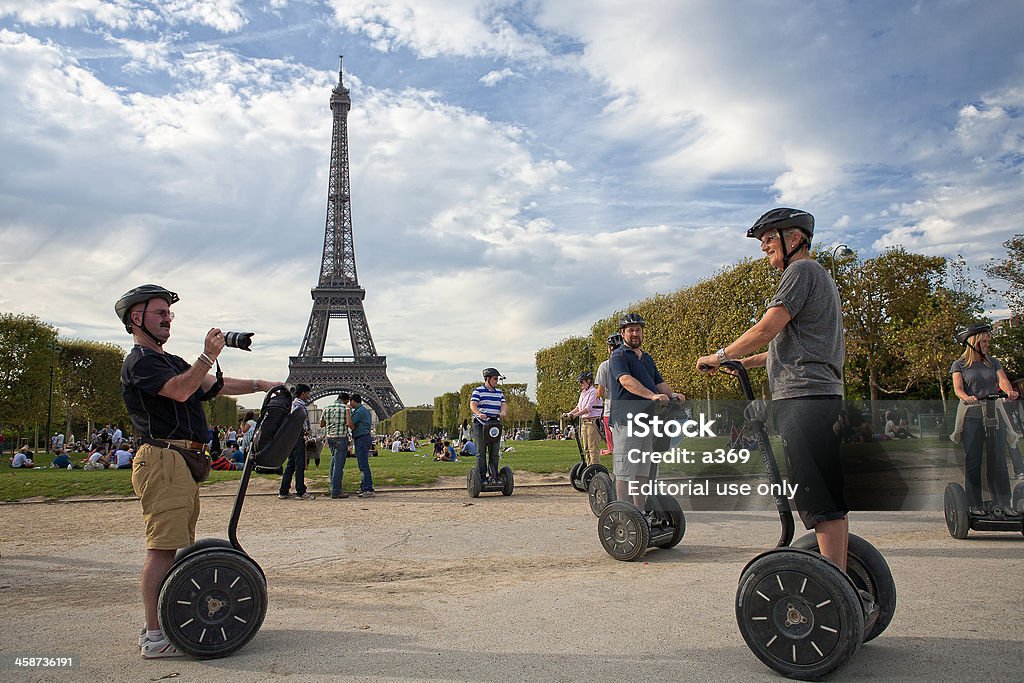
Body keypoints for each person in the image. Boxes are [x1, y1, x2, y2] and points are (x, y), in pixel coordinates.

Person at [114, 283, 277, 659]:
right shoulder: (140, 361)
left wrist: (261, 385)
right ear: (136, 319)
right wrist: (207, 355)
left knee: (172, 548)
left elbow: (208, 385)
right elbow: (179, 391)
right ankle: (155, 636)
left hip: (181, 461)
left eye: (169, 313)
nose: (168, 318)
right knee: (161, 549)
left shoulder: (166, 358)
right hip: (163, 459)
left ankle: (165, 622)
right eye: (160, 313)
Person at [696, 208, 851, 570]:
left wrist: (720, 355)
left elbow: (767, 328)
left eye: (769, 238)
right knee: (824, 489)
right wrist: (744, 363)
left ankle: (835, 582)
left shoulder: (799, 271)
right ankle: (839, 573)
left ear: (794, 238)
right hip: (819, 393)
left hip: (803, 397)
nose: (764, 245)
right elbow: (788, 346)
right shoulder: (820, 276)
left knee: (815, 492)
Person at [609, 313, 685, 510]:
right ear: (623, 333)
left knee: (642, 470)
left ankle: (640, 512)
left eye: (638, 330)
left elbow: (659, 383)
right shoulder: (618, 356)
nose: (635, 333)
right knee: (625, 471)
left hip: (646, 422)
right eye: (631, 330)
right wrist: (651, 396)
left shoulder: (647, 358)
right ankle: (623, 512)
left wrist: (673, 395)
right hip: (626, 421)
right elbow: (626, 381)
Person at [951, 323, 1019, 514]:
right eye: (984, 342)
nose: (987, 345)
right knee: (973, 460)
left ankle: (1004, 503)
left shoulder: (993, 362)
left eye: (988, 341)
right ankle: (975, 504)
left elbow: (1003, 381)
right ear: (973, 343)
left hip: (993, 413)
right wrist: (967, 397)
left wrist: (1010, 392)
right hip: (972, 414)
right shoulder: (960, 365)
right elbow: (958, 389)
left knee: (999, 460)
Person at [470, 368, 508, 482]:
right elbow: (473, 405)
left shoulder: (499, 392)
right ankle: (481, 477)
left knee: (494, 451)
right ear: (488, 379)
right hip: (481, 424)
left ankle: (494, 476)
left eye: (498, 379)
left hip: (494, 424)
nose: (497, 381)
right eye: (495, 379)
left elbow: (503, 404)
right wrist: (478, 413)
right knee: (481, 451)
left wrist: (503, 411)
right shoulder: (478, 391)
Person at [279, 384, 315, 501]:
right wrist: (307, 432)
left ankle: (283, 491)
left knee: (291, 464)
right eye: (307, 393)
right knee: (300, 464)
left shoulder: (292, 404)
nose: (308, 395)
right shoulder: (299, 405)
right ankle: (300, 491)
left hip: (291, 437)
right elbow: (300, 422)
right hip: (297, 436)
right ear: (303, 393)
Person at [562, 371, 603, 466]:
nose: (580, 384)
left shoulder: (594, 392)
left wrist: (575, 415)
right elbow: (578, 407)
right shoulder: (583, 393)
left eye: (582, 382)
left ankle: (595, 470)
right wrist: (569, 413)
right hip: (584, 422)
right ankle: (589, 468)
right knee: (586, 448)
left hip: (593, 422)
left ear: (589, 381)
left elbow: (588, 408)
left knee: (593, 449)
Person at [595, 333, 623, 456]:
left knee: (612, 437)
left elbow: (600, 391)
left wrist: (599, 395)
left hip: (611, 408)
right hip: (630, 407)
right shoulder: (630, 363)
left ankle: (611, 449)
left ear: (609, 348)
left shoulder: (605, 366)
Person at [321, 392, 351, 499]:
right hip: (341, 437)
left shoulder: (326, 408)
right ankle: (336, 491)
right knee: (339, 465)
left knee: (333, 461)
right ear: (346, 400)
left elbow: (322, 424)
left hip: (330, 438)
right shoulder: (345, 408)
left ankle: (332, 486)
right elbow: (348, 422)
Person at [347, 393, 374, 497]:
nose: (350, 403)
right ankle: (364, 487)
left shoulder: (359, 412)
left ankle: (368, 489)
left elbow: (350, 423)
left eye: (350, 402)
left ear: (353, 401)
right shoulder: (363, 410)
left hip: (362, 438)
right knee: (362, 464)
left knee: (363, 465)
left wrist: (348, 410)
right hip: (363, 437)